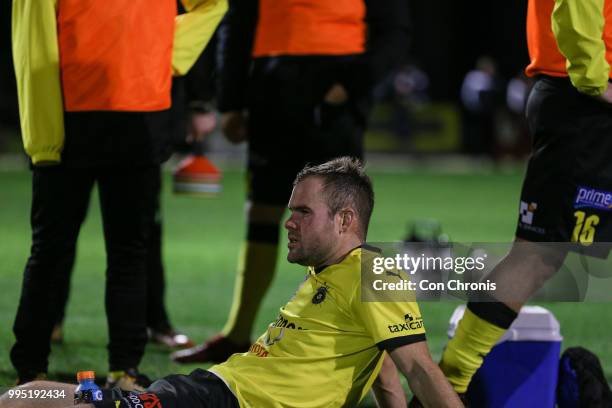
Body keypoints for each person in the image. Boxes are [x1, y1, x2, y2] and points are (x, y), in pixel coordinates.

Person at [0, 157, 463, 408]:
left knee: (40, 400)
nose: (288, 222)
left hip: (223, 398)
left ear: (345, 220)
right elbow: (382, 368)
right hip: (216, 394)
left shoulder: (371, 272)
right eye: (290, 210)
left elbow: (418, 368)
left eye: (303, 211)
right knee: (35, 399)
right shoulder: (328, 276)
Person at [173, 0, 412, 364]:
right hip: (272, 88)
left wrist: (351, 84)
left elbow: (394, 32)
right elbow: (237, 25)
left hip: (334, 92)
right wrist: (232, 101)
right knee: (263, 212)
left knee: (336, 220)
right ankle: (237, 333)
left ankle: (326, 335)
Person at [10, 0, 226, 388]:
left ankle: (104, 368)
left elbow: (213, 4)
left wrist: (166, 51)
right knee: (66, 251)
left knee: (98, 252)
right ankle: (43, 366)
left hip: (120, 115)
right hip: (75, 118)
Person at [435, 0, 612, 399]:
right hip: (586, 104)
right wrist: (595, 78)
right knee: (538, 255)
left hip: (583, 99)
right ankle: (447, 389)